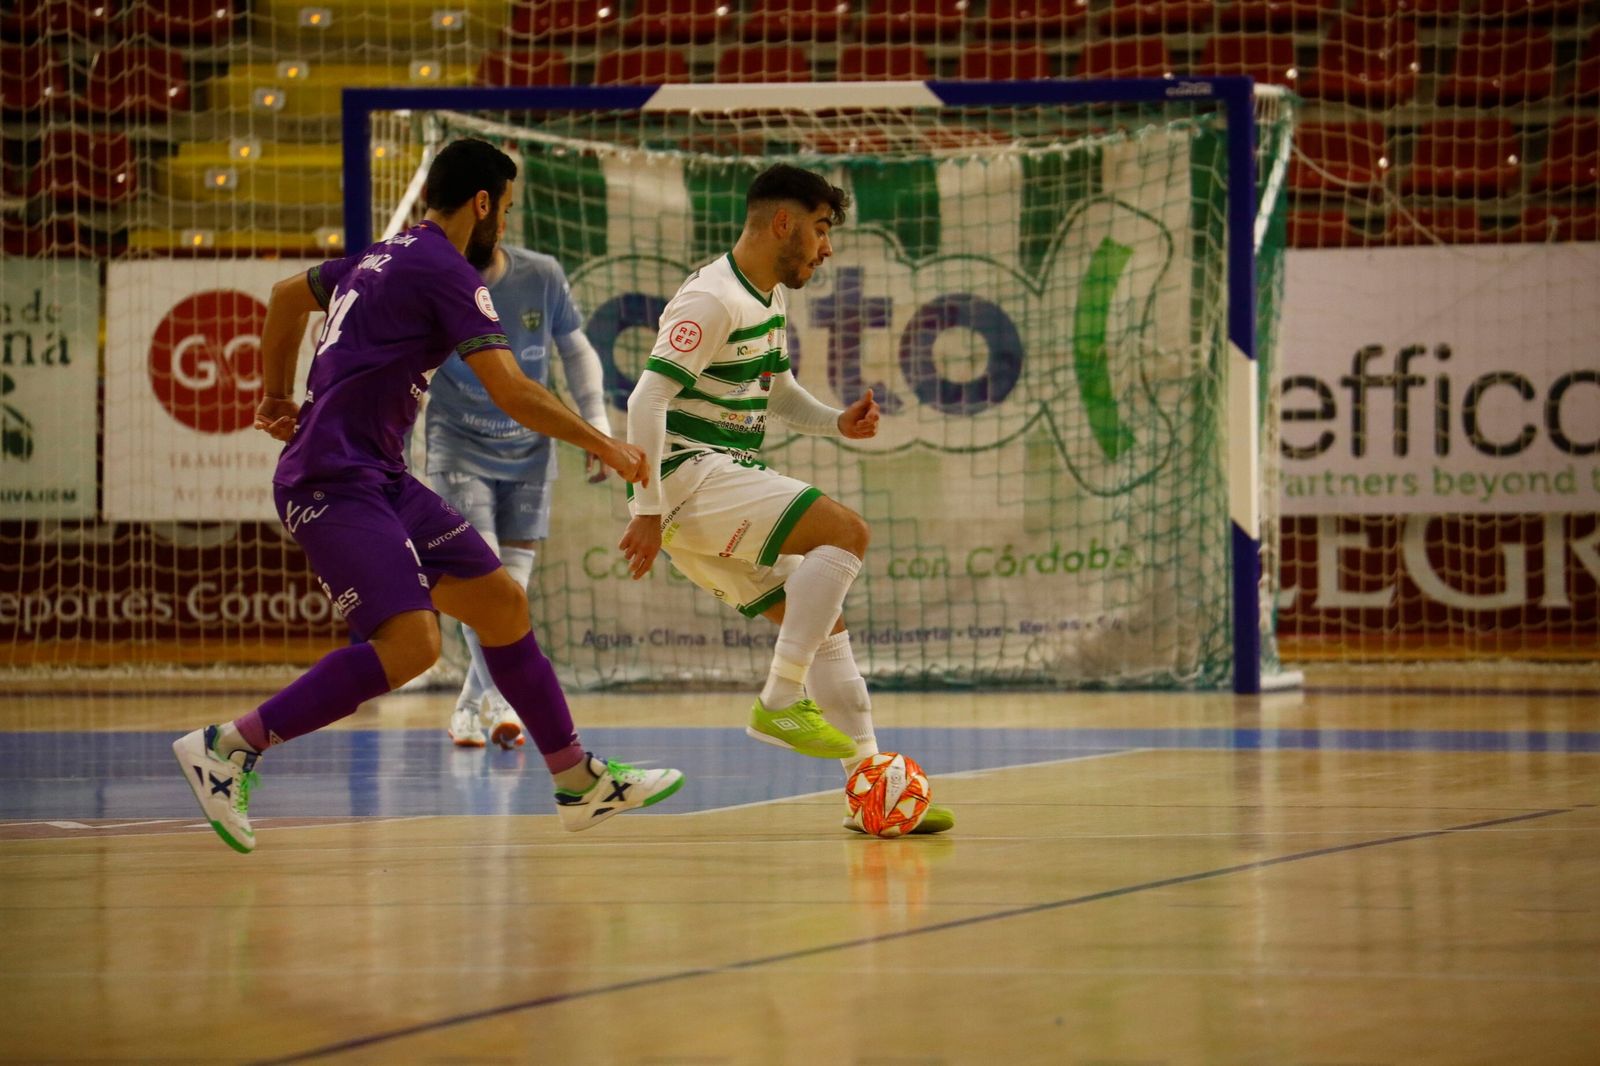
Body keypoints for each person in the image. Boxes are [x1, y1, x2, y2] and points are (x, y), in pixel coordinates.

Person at [172, 138, 684, 854]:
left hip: (377, 476)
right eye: (504, 209)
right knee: (413, 644)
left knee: (502, 603)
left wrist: (274, 396)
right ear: (482, 204)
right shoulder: (445, 268)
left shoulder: (384, 254)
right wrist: (602, 442)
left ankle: (577, 779)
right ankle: (230, 746)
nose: (504, 223)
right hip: (331, 481)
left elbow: (288, 298)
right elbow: (511, 389)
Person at [618, 163, 952, 835]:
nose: (826, 248)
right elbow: (645, 398)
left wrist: (834, 421)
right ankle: (777, 698)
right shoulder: (712, 299)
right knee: (847, 533)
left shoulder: (766, 298)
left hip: (708, 490)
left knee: (825, 626)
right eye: (822, 230)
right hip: (691, 479)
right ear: (784, 223)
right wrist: (645, 509)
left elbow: (775, 391)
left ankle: (873, 794)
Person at [424, 238, 612, 750]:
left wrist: (595, 423)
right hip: (457, 447)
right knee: (489, 589)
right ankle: (504, 701)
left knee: (511, 596)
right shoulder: (433, 278)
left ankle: (470, 704)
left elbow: (576, 349)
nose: (502, 219)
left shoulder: (542, 273)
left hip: (530, 452)